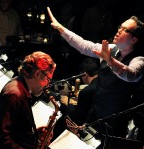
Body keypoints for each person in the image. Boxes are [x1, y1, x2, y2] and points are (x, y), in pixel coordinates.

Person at [47, 7, 144, 139]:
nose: (119, 30)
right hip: (95, 115)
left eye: (125, 29)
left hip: (114, 126)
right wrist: (61, 29)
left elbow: (130, 74)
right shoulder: (111, 49)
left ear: (134, 39)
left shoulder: (139, 60)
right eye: (120, 27)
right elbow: (84, 45)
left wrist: (109, 60)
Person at [0, 51, 56, 149]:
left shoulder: (20, 86)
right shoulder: (15, 95)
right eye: (48, 79)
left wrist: (34, 132)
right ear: (37, 74)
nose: (47, 84)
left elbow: (13, 126)